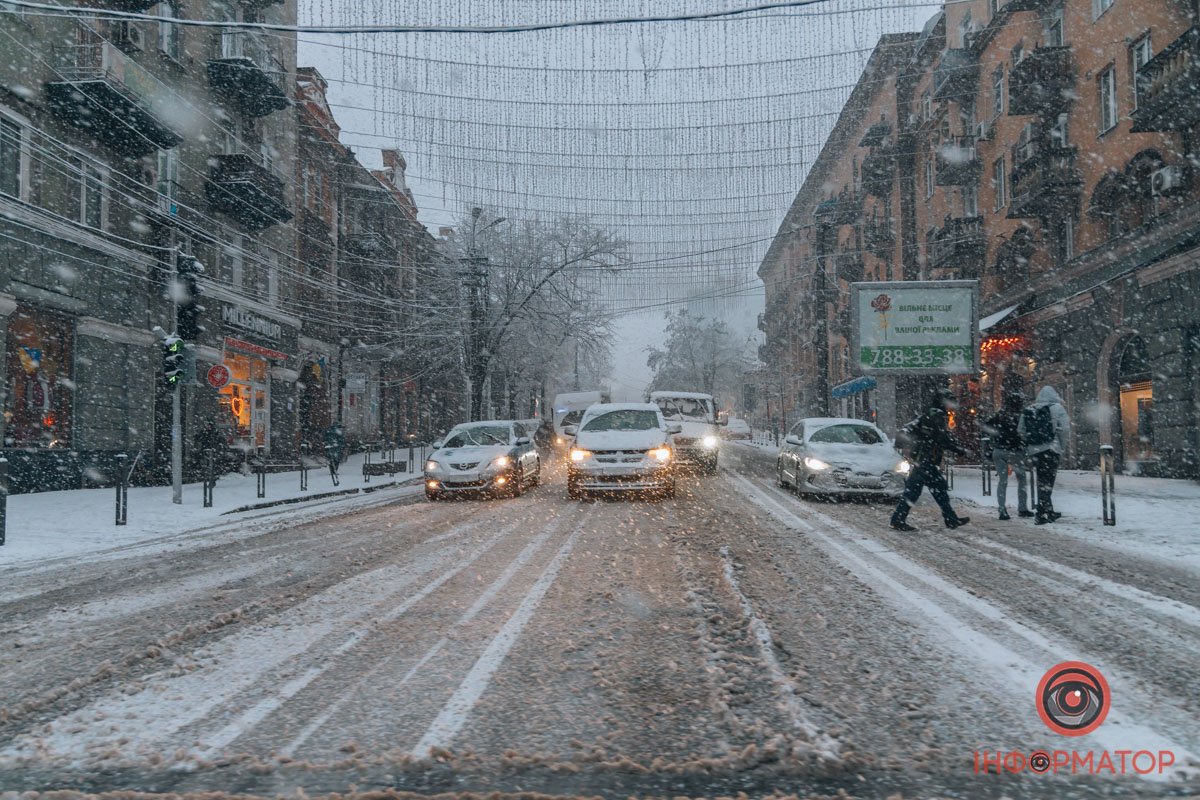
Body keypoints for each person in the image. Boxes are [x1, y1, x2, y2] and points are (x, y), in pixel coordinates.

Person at [890, 387, 971, 532]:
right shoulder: (937, 415)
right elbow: (942, 438)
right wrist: (960, 450)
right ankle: (898, 519)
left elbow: (910, 428)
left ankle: (950, 518)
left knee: (935, 490)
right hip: (926, 460)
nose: (951, 405)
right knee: (919, 491)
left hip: (924, 460)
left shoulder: (929, 413)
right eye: (949, 402)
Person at [1020, 385, 1070, 525]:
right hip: (1051, 449)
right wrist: (1061, 447)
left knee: (1041, 480)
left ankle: (1048, 510)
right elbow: (1064, 430)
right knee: (1048, 482)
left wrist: (1031, 443)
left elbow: (1021, 430)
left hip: (1034, 451)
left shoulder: (1029, 410)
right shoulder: (1057, 408)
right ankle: (1041, 513)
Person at [982, 392, 1032, 521]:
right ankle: (1022, 508)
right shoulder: (1020, 416)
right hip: (1015, 451)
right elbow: (1024, 432)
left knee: (1003, 481)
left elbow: (985, 426)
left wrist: (994, 439)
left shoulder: (999, 415)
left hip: (999, 451)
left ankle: (1002, 510)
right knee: (1021, 479)